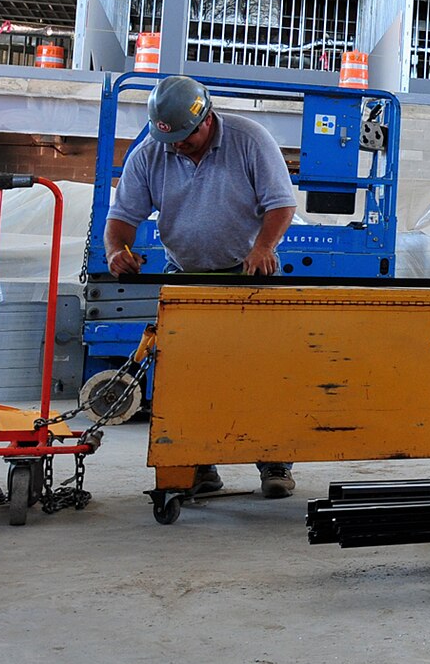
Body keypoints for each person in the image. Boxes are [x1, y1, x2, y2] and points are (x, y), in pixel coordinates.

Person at [103, 74, 300, 499]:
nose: (175, 147)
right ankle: (198, 466)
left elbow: (281, 204)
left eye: (185, 140)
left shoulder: (250, 140)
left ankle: (273, 462)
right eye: (168, 140)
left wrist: (263, 246)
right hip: (185, 277)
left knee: (258, 373)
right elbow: (121, 218)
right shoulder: (151, 153)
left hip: (249, 277)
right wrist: (117, 250)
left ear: (206, 120)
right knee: (186, 377)